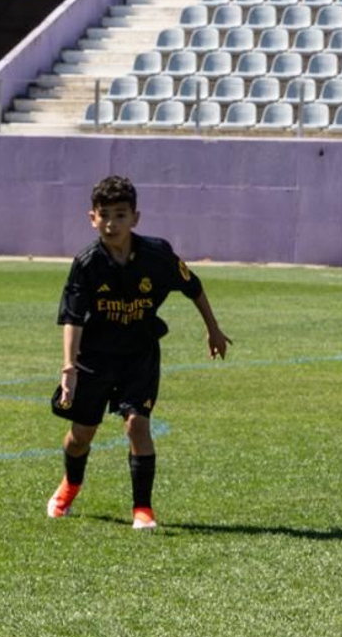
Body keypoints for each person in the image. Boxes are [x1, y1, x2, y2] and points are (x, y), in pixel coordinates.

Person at [47, 175, 231, 529]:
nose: (112, 223)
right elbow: (72, 317)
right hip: (94, 358)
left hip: (139, 354)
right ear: (92, 218)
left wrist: (213, 329)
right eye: (105, 215)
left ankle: (142, 510)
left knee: (137, 425)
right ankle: (70, 485)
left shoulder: (157, 255)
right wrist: (68, 368)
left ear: (136, 217)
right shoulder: (86, 264)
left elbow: (193, 286)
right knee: (81, 436)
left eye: (120, 214)